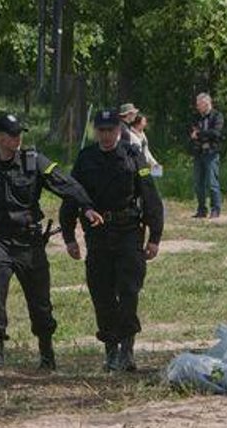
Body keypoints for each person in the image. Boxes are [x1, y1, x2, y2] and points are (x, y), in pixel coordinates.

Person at [0, 113, 104, 370]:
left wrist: (86, 206)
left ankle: (46, 353)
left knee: (40, 303)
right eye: (12, 134)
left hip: (30, 242)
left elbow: (63, 183)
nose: (18, 138)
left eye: (20, 133)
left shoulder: (34, 161)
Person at [60, 108, 164, 372]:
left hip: (128, 231)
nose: (106, 135)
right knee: (102, 293)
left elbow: (150, 195)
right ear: (96, 131)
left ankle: (127, 348)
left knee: (129, 291)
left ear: (120, 130)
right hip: (98, 234)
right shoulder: (86, 159)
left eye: (111, 130)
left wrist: (155, 237)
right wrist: (70, 236)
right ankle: (111, 350)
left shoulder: (133, 156)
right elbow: (73, 195)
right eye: (102, 131)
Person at [190, 93, 224, 218]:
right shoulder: (197, 117)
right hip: (198, 153)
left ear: (206, 103)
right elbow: (192, 131)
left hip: (211, 153)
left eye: (199, 104)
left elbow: (216, 133)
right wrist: (199, 135)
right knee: (198, 183)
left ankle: (215, 209)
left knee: (212, 182)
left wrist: (199, 134)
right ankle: (201, 209)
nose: (197, 107)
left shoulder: (217, 116)